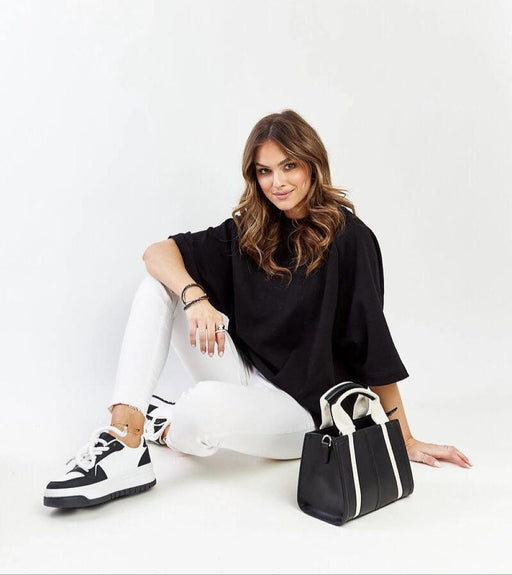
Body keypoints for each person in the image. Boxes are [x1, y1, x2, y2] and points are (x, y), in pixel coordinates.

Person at [44, 109, 471, 509]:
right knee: (161, 286)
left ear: (312, 165)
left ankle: (168, 425)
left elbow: (371, 343)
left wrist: (403, 439)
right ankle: (124, 437)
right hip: (245, 375)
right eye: (264, 171)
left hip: (304, 411)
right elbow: (156, 253)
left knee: (201, 408)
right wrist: (196, 297)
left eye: (289, 166)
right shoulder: (251, 229)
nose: (277, 182)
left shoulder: (350, 239)